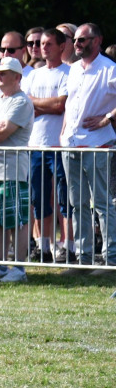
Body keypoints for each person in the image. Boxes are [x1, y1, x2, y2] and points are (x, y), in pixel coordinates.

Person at [59, 23, 116, 273]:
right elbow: (70, 104)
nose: (77, 44)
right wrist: (63, 132)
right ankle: (83, 258)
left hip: (98, 144)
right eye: (76, 40)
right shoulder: (72, 70)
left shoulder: (109, 68)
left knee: (102, 203)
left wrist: (107, 118)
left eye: (82, 40)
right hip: (70, 145)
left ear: (98, 40)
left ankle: (110, 258)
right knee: (77, 203)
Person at [0, 57, 35, 283]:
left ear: (17, 77)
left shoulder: (21, 102)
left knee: (17, 221)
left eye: (3, 73)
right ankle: (1, 265)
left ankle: (19, 269)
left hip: (13, 169)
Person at [23, 28, 70, 264]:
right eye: (42, 43)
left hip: (58, 144)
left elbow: (62, 105)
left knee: (63, 196)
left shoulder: (68, 73)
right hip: (36, 144)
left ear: (62, 46)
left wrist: (37, 105)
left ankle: (66, 245)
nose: (44, 47)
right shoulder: (32, 75)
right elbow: (25, 104)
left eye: (50, 43)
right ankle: (42, 247)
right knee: (38, 197)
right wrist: (45, 106)